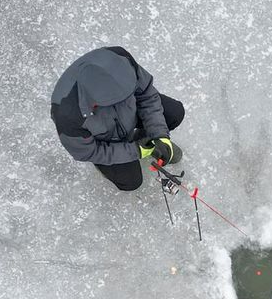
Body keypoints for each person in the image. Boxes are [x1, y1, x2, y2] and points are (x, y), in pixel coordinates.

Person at [49, 46, 185, 192]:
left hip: (128, 116)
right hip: (105, 141)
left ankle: (145, 139)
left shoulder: (121, 59)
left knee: (174, 113)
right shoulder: (67, 115)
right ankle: (116, 159)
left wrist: (159, 135)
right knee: (131, 181)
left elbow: (146, 95)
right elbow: (88, 151)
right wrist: (136, 150)